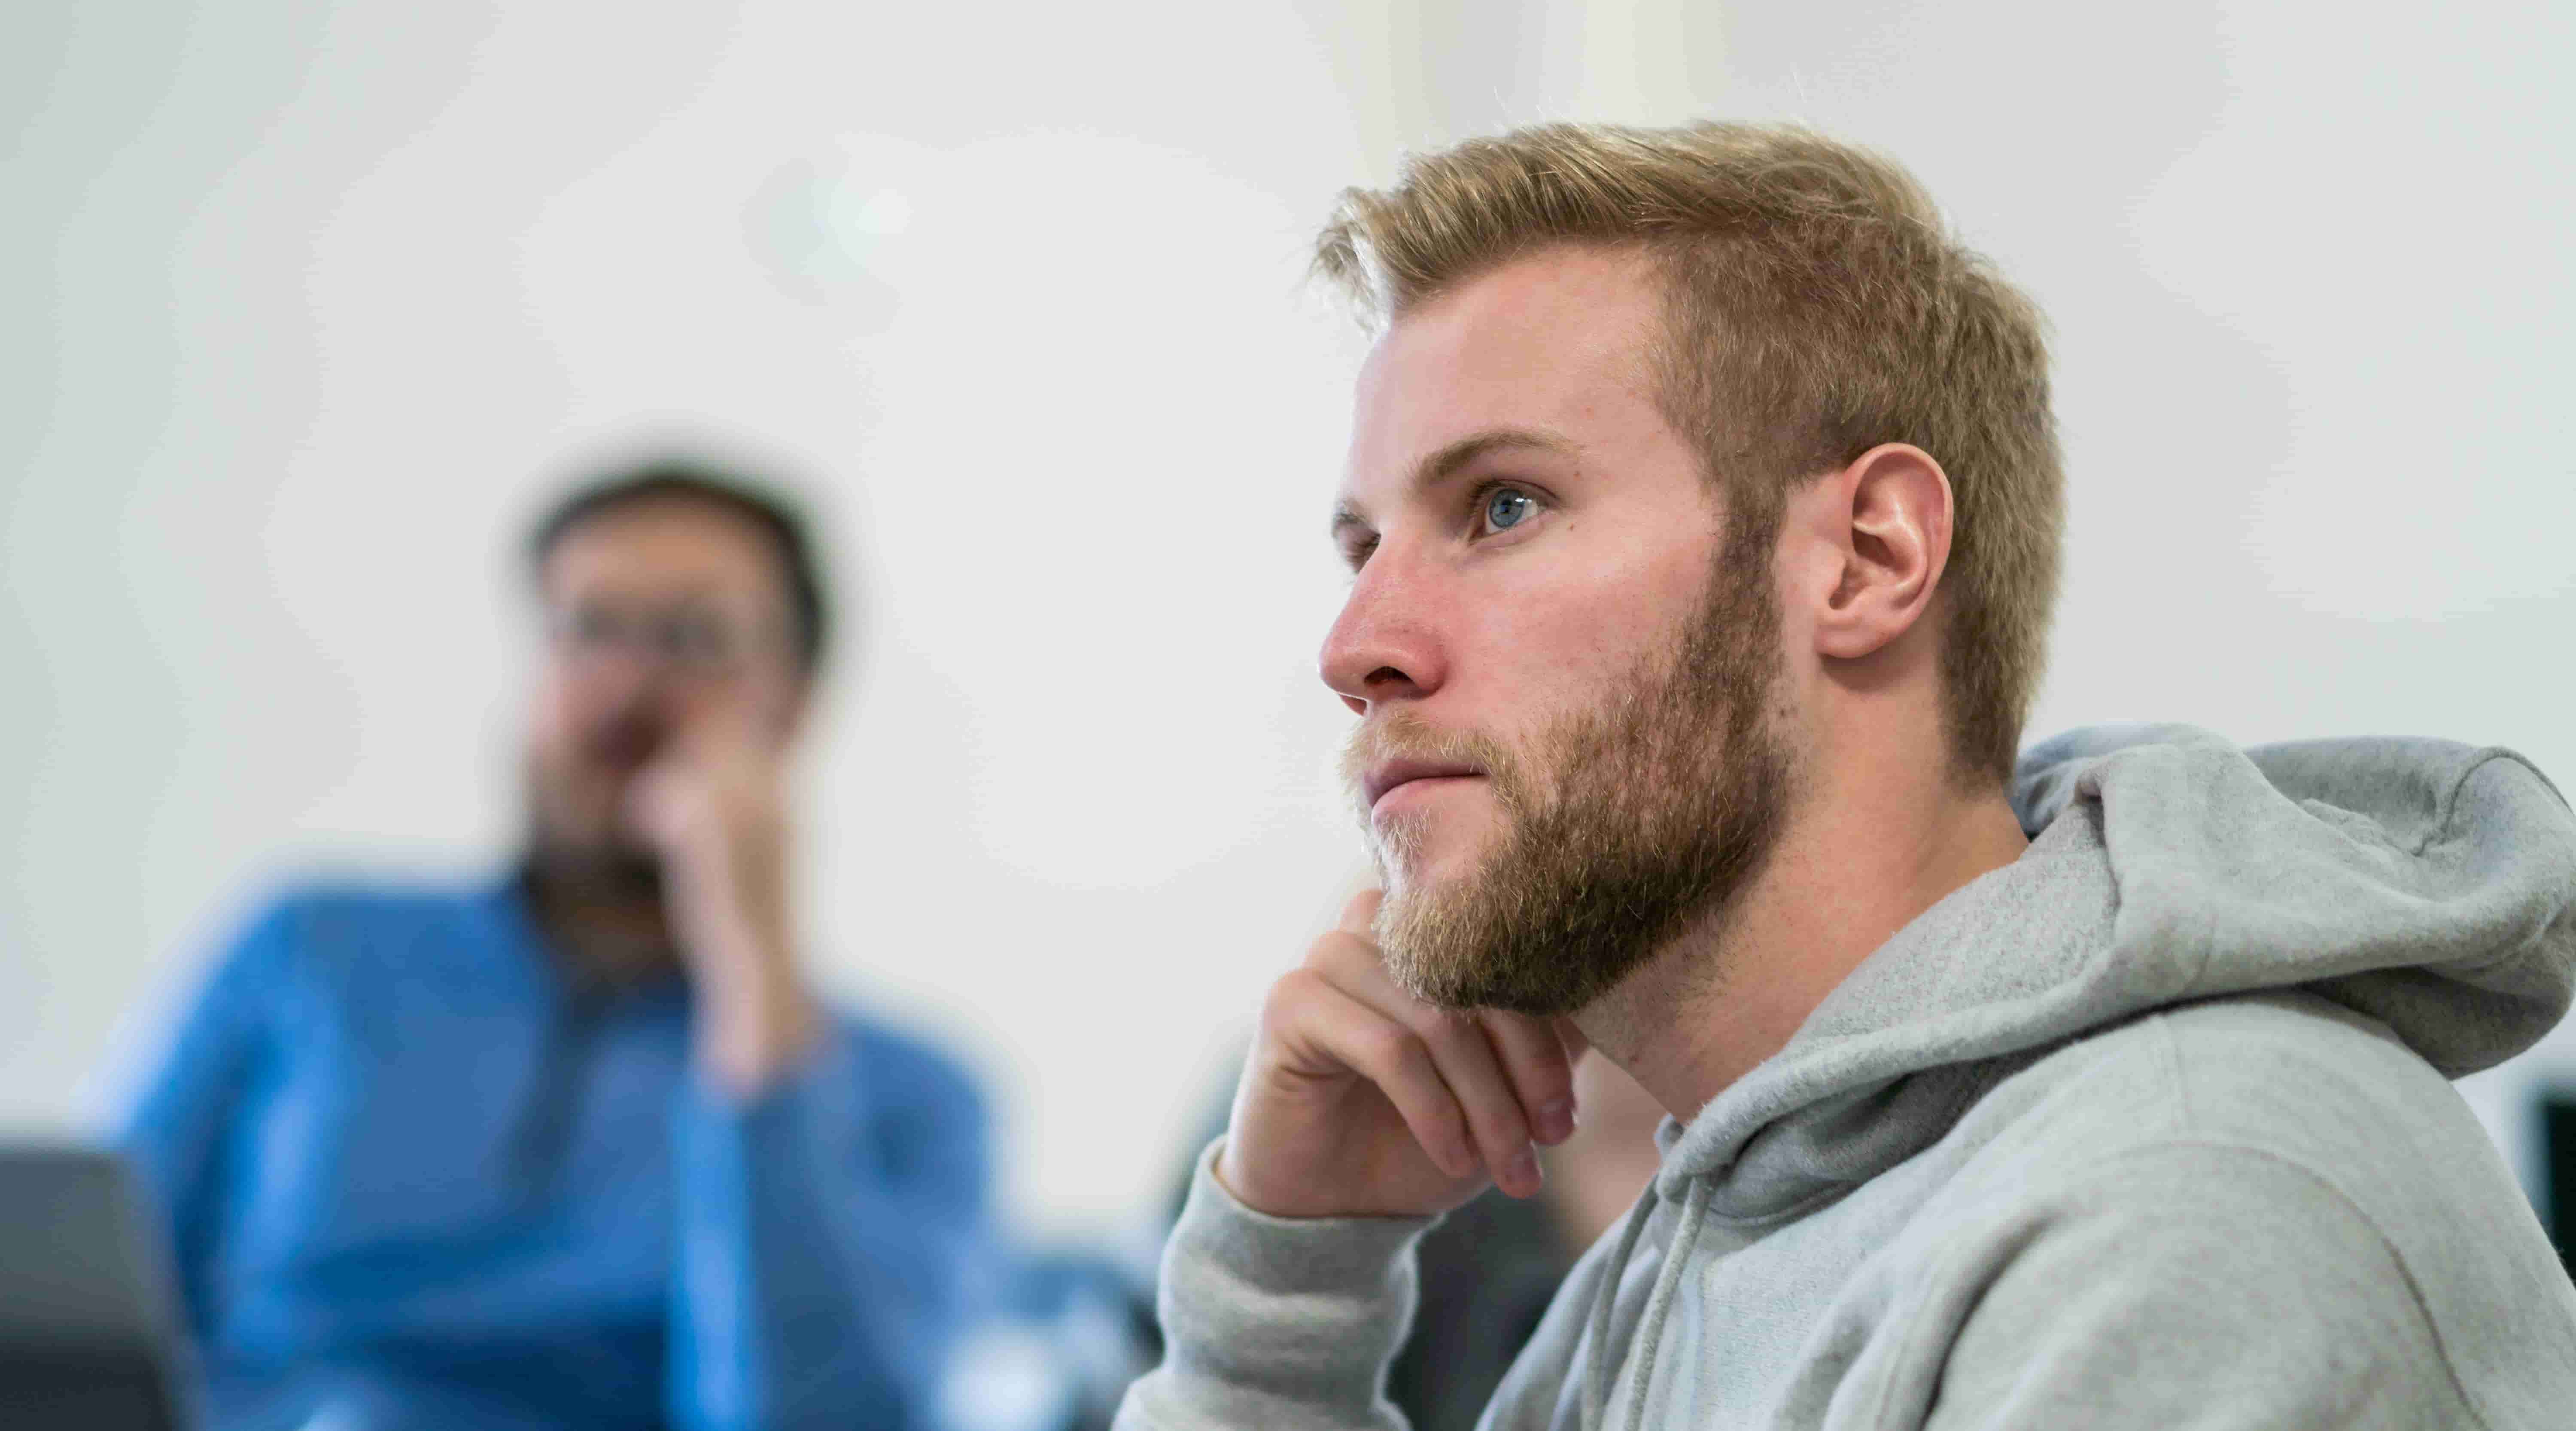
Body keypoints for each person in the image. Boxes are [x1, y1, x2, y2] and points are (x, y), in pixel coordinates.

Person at [1118, 122, 2576, 1429]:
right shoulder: (1701, 1246)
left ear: (1869, 558)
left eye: (1503, 506)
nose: (1356, 646)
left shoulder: (2187, 1207)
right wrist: (1280, 1300)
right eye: (1364, 547)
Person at [110, 460, 993, 1431]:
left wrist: (755, 978)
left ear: (794, 705)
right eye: (590, 628)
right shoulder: (309, 952)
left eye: (696, 639)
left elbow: (814, 1419)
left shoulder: (910, 1097)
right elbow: (79, 1303)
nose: (630, 685)